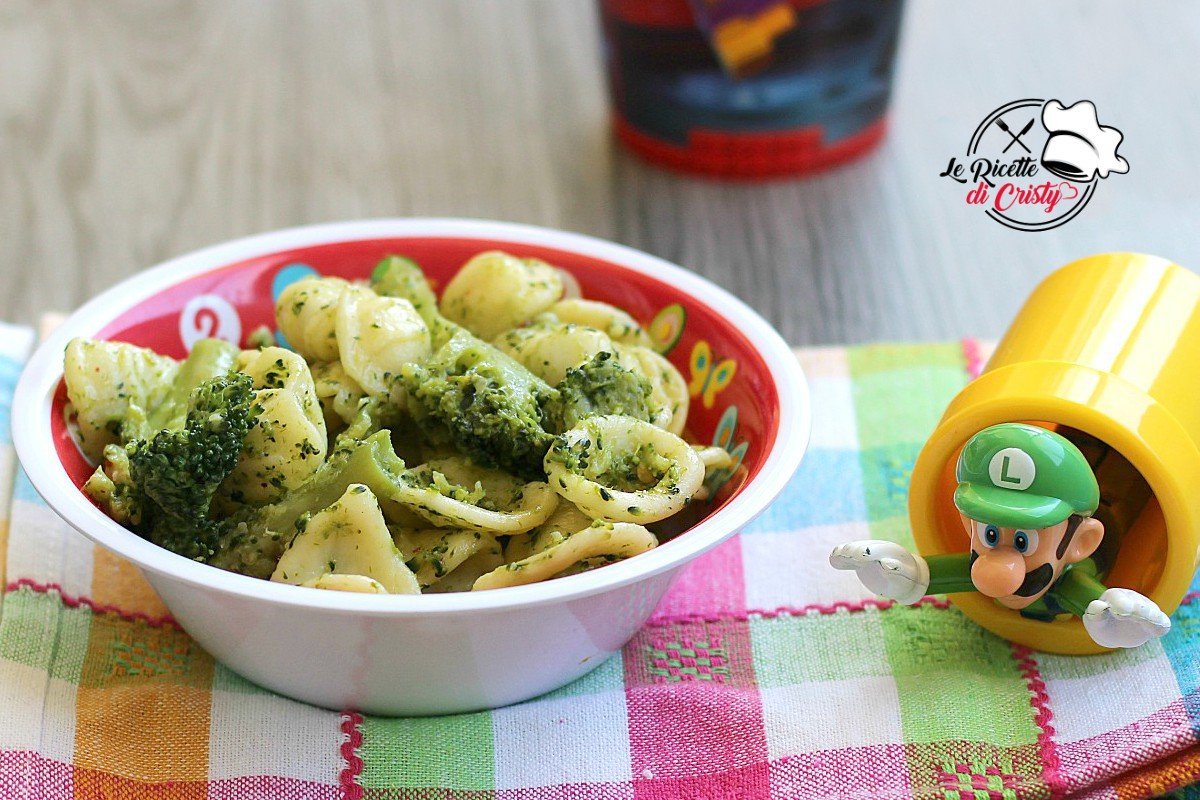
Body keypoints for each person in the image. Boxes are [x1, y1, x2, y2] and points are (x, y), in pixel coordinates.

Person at [830, 423, 1171, 648]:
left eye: (1023, 542)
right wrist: (900, 573)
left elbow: (1098, 607)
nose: (999, 563)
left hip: (1130, 481)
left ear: (1081, 543)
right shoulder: (980, 563)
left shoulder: (1071, 580)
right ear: (969, 524)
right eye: (990, 533)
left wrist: (1113, 618)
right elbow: (923, 575)